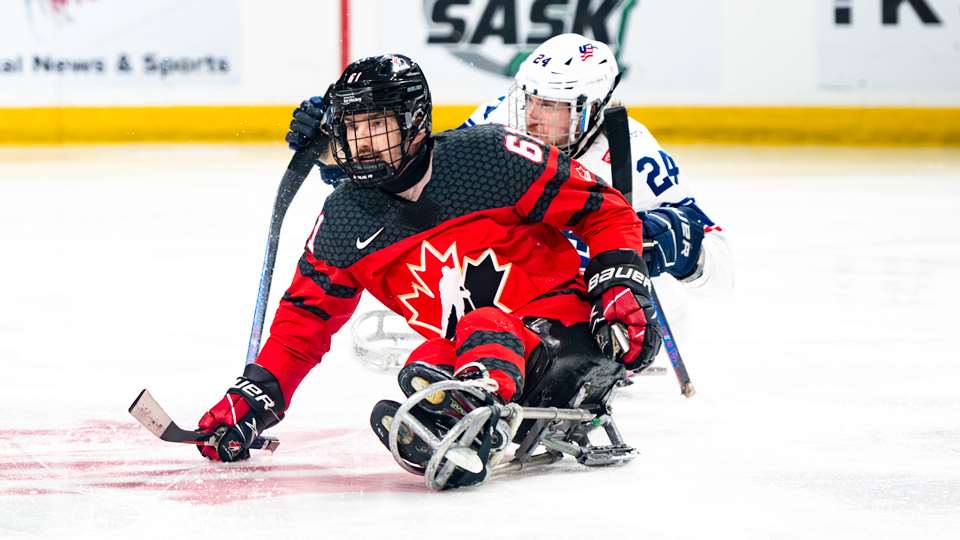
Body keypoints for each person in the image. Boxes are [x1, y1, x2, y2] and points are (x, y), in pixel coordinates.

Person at [196, 55, 662, 478]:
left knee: (481, 327)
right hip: (473, 354)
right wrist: (256, 398)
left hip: (564, 342)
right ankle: (462, 429)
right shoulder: (343, 219)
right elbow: (304, 319)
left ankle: (474, 415)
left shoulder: (489, 157)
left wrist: (620, 282)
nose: (362, 142)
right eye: (352, 127)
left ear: (416, 125)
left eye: (376, 124)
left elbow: (605, 209)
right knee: (425, 365)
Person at [462, 33, 732, 297]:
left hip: (607, 311)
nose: (530, 116)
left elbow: (721, 270)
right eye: (529, 98)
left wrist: (679, 249)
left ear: (588, 109)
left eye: (548, 104)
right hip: (514, 299)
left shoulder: (636, 155)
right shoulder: (496, 120)